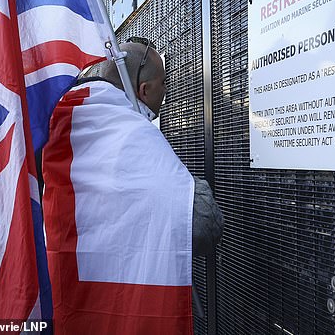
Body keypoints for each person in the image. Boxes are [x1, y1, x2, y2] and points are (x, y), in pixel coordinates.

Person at [43, 40, 223, 334]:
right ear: (144, 90)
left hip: (74, 304)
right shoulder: (134, 133)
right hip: (131, 314)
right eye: (163, 83)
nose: (166, 92)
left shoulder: (58, 124)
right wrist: (184, 182)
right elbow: (205, 225)